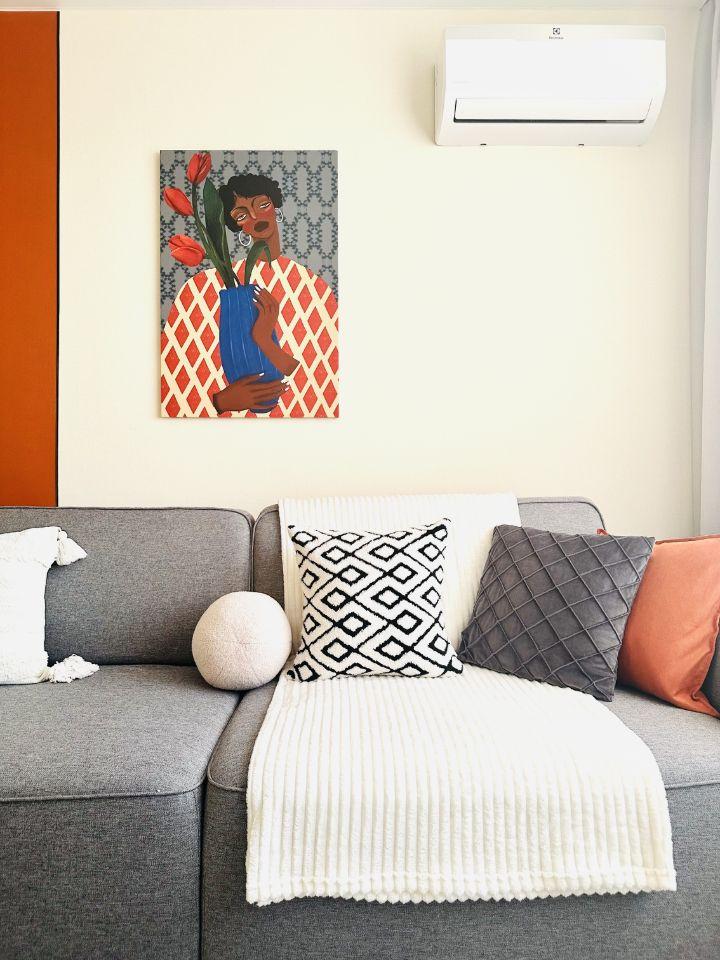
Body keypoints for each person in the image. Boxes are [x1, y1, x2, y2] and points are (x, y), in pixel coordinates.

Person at [160, 172, 338, 418]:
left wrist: (263, 338)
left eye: (262, 205)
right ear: (237, 226)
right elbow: (170, 374)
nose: (255, 217)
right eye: (242, 215)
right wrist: (220, 401)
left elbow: (325, 376)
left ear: (276, 207)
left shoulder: (314, 286)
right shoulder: (201, 286)